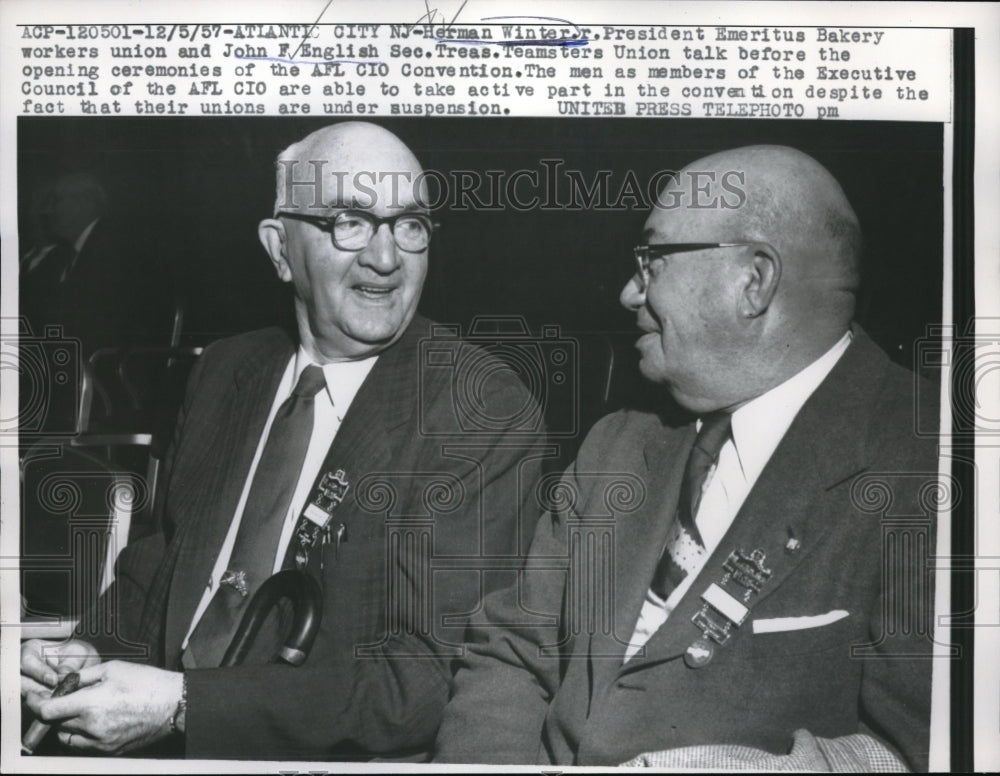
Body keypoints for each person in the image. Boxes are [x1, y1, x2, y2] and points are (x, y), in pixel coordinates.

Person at [21, 122, 546, 760]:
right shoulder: (224, 371)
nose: (385, 258)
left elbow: (422, 684)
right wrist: (92, 650)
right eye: (350, 221)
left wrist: (183, 704)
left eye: (410, 225)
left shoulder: (479, 407)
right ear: (279, 249)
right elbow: (161, 565)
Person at [435, 145, 939, 770]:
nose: (626, 292)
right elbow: (511, 652)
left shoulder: (931, 462)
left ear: (753, 280)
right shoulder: (616, 442)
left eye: (651, 261)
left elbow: (922, 751)